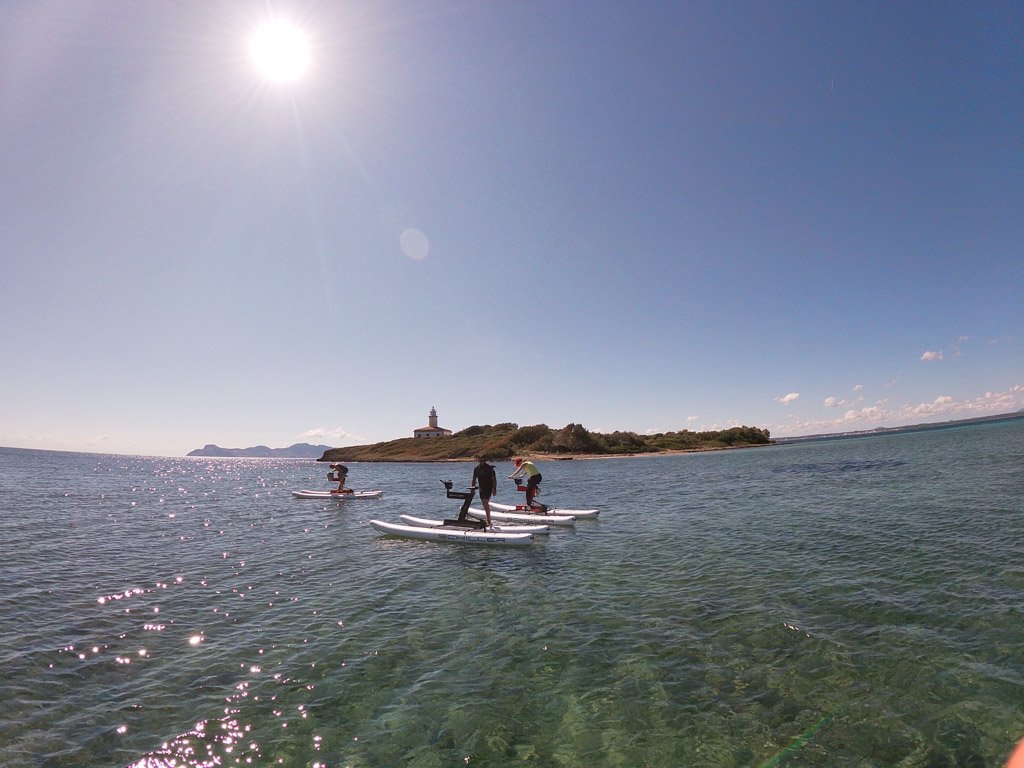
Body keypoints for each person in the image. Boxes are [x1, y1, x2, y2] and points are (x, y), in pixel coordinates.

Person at [471, 457, 497, 528]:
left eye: (483, 460)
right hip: (481, 488)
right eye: (480, 460)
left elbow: (494, 479)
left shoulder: (489, 468)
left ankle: (489, 521)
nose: (482, 461)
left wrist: (494, 489)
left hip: (488, 487)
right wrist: (472, 488)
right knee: (484, 503)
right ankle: (488, 518)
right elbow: (474, 478)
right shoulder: (476, 469)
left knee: (485, 502)